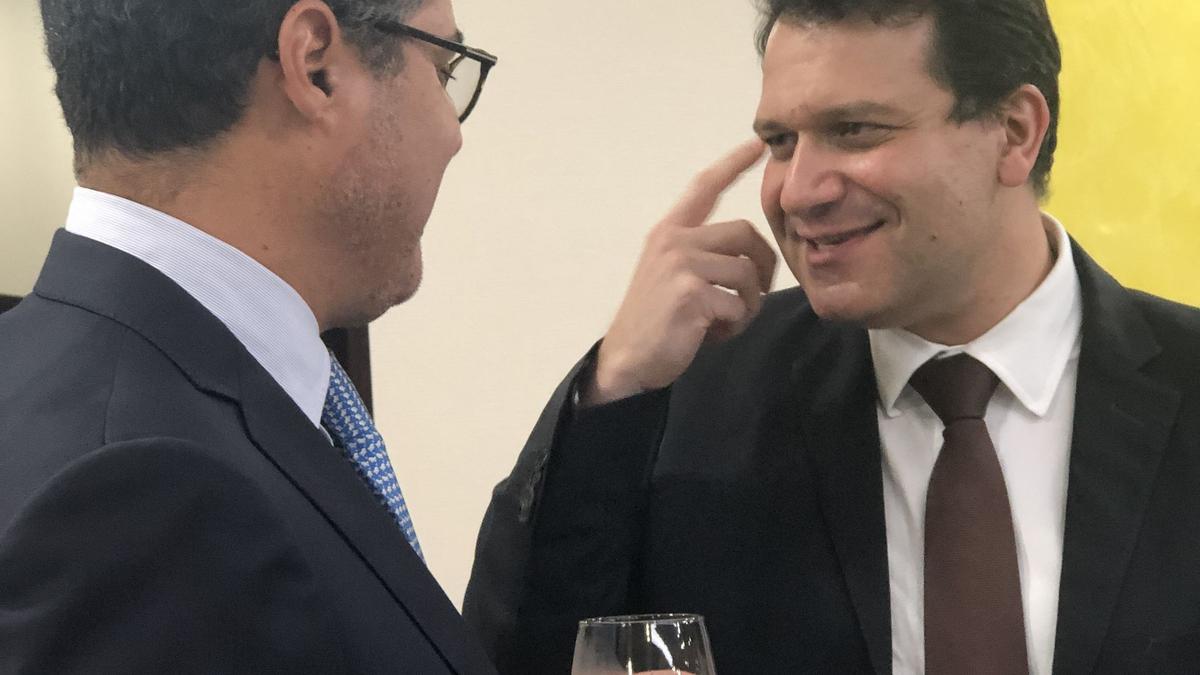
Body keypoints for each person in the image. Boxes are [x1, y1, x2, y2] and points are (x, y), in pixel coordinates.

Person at [463, 0, 1200, 673]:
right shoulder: (686, 398)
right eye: (781, 141)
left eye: (854, 131)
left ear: (1014, 132)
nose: (798, 190)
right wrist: (614, 389)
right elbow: (517, 656)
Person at [0, 0, 498, 672]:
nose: (453, 133)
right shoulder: (150, 503)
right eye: (443, 68)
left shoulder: (42, 383)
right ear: (316, 66)